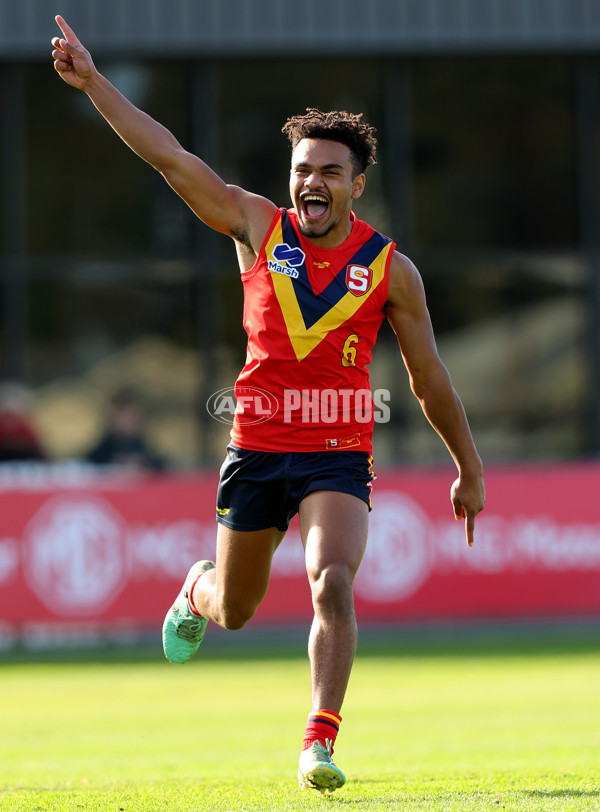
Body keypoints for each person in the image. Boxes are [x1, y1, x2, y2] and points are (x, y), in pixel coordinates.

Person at [52, 15, 485, 795]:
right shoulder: (256, 226)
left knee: (332, 582)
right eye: (301, 169)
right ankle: (195, 587)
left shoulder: (392, 271)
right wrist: (94, 85)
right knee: (237, 609)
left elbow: (428, 379)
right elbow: (169, 158)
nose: (310, 182)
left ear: (358, 184)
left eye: (328, 170)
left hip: (337, 453)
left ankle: (318, 741)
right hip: (255, 449)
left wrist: (468, 466)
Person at [86, 387, 164, 472]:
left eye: (131, 417)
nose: (127, 421)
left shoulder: (144, 448)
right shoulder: (101, 452)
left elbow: (160, 466)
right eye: (122, 416)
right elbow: (88, 466)